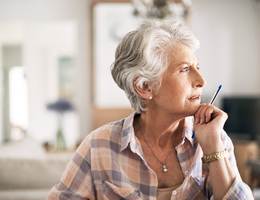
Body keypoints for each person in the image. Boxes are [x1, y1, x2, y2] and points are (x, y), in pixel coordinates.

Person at [47, 20, 254, 200]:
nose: (201, 81)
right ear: (145, 87)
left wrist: (213, 148)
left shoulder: (214, 138)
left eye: (197, 68)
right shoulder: (98, 146)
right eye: (184, 70)